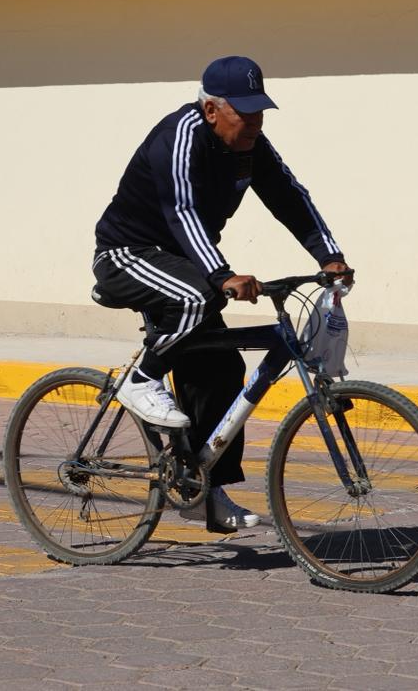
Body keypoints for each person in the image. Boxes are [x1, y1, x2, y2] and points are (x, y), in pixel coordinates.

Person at [90, 55, 350, 533]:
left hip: (185, 265)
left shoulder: (250, 147)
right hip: (128, 254)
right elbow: (182, 211)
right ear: (212, 110)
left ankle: (203, 490)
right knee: (198, 296)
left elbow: (290, 197)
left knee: (222, 367)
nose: (254, 122)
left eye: (260, 112)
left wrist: (329, 256)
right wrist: (220, 274)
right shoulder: (179, 136)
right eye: (244, 112)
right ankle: (142, 379)